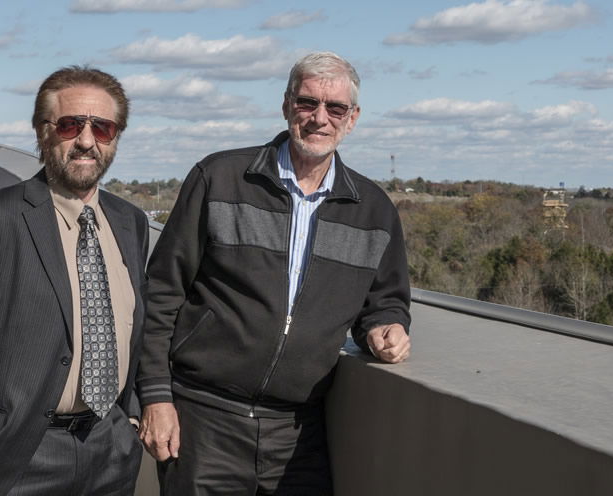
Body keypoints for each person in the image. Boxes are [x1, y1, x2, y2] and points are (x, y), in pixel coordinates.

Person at [138, 51, 411, 494]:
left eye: (335, 108)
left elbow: (385, 300)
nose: (320, 118)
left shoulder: (374, 211)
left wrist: (387, 326)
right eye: (307, 103)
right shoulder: (220, 177)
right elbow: (162, 291)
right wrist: (154, 395)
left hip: (299, 432)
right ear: (287, 105)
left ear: (352, 118)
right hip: (204, 420)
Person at [0, 66, 149, 496]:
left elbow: (136, 327)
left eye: (103, 127)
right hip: (14, 455)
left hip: (110, 450)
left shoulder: (129, 222)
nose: (86, 140)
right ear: (42, 132)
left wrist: (128, 417)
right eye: (70, 124)